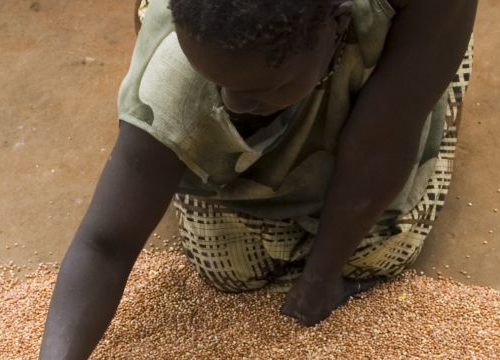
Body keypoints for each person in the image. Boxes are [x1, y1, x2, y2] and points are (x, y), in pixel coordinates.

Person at [39, 0, 477, 358]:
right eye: (219, 83)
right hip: (248, 50)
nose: (232, 102)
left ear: (337, 24)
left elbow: (379, 145)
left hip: (385, 58)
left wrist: (321, 278)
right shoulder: (191, 54)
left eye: (259, 89)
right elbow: (105, 242)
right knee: (227, 269)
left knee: (379, 255)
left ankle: (437, 63)